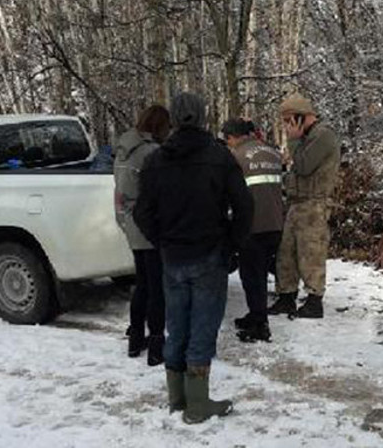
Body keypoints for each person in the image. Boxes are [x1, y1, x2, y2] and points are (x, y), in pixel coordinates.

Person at [134, 92, 253, 424]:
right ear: (203, 117)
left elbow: (142, 213)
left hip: (173, 258)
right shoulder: (220, 156)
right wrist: (231, 244)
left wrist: (161, 241)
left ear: (174, 118)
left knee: (176, 326)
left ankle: (178, 399)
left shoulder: (155, 160)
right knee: (201, 328)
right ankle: (197, 406)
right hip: (209, 255)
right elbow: (245, 207)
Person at [268, 92, 340, 319]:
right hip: (296, 202)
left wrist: (293, 139)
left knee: (311, 253)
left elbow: (304, 165)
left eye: (289, 120)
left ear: (301, 116)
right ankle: (286, 296)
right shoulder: (307, 137)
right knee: (286, 253)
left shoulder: (323, 135)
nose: (286, 126)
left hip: (314, 203)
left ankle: (314, 300)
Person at [113, 105, 171, 366]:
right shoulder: (152, 152)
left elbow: (118, 189)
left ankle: (135, 337)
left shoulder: (123, 150)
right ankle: (157, 343)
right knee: (156, 287)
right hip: (149, 223)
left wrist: (123, 219)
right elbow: (159, 192)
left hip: (130, 221)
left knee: (142, 284)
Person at [222, 119, 284, 342]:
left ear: (232, 137)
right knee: (261, 272)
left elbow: (233, 193)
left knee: (251, 276)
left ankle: (260, 324)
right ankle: (256, 314)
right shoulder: (272, 152)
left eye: (228, 140)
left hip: (253, 224)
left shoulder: (236, 157)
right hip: (275, 222)